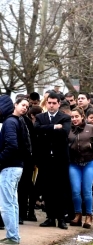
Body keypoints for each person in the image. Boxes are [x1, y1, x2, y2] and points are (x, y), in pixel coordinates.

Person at [34, 92, 71, 230]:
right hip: (45, 158)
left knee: (60, 188)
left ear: (58, 104)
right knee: (47, 189)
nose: (51, 105)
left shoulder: (65, 117)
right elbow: (36, 129)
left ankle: (61, 218)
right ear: (46, 102)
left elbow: (65, 132)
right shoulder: (40, 117)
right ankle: (50, 217)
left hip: (60, 158)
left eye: (54, 103)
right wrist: (54, 127)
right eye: (49, 102)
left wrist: (46, 130)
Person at [0, 98, 32, 244]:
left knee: (7, 204)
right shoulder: (18, 121)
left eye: (27, 106)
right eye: (23, 105)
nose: (25, 108)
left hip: (9, 167)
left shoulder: (10, 122)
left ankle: (13, 237)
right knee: (12, 203)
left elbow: (11, 146)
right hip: (16, 166)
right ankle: (14, 236)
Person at [68, 107, 93, 229]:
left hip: (89, 162)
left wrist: (91, 145)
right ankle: (77, 214)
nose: (74, 119)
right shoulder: (68, 129)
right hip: (74, 163)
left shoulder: (91, 128)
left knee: (86, 189)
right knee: (75, 190)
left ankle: (89, 215)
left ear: (82, 116)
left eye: (76, 116)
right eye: (72, 117)